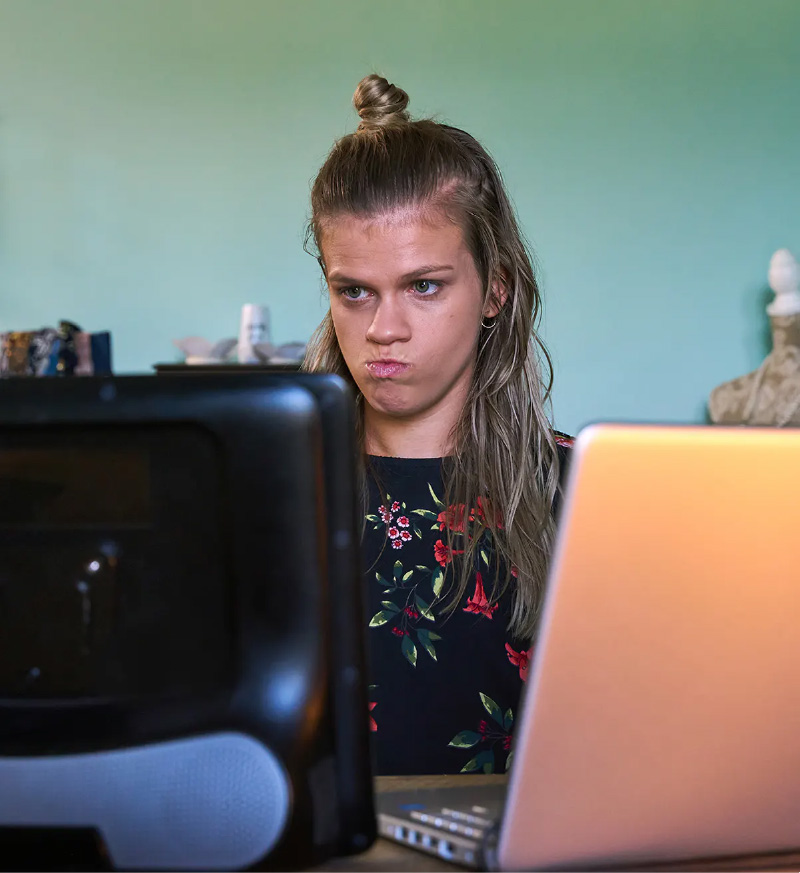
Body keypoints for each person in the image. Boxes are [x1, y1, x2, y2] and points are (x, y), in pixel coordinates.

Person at [303, 74, 572, 775]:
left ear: (497, 287)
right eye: (354, 291)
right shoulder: (268, 487)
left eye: (424, 285)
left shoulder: (584, 493)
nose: (383, 330)